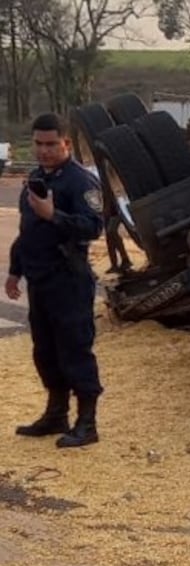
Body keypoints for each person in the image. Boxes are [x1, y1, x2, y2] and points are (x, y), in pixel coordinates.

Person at [4, 112, 105, 448]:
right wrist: (15, 269)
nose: (44, 150)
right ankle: (56, 414)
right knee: (45, 351)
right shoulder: (35, 179)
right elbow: (27, 231)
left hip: (68, 279)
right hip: (40, 279)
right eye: (38, 144)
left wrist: (54, 215)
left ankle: (87, 423)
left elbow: (92, 226)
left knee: (75, 349)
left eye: (51, 144)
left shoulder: (80, 182)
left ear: (66, 143)